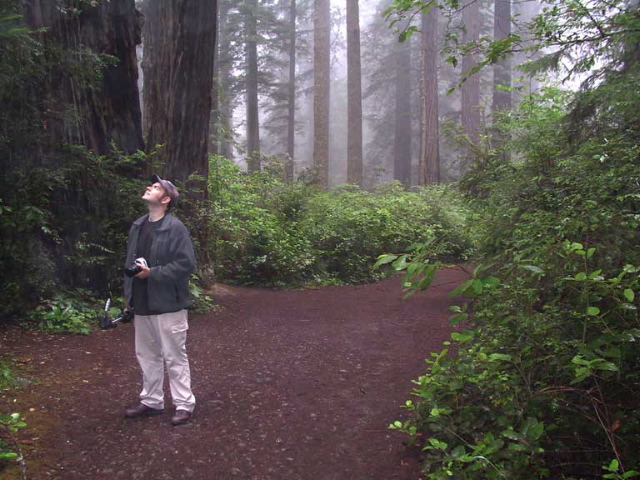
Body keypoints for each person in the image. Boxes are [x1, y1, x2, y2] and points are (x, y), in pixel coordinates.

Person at [123, 174, 196, 426]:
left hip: (168, 304)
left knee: (174, 355)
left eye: (156, 188)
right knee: (147, 354)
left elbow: (186, 264)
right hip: (142, 303)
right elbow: (129, 265)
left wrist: (153, 273)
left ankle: (184, 404)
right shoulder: (138, 226)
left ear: (165, 199)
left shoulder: (175, 227)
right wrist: (128, 298)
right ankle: (152, 400)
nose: (149, 188)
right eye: (151, 185)